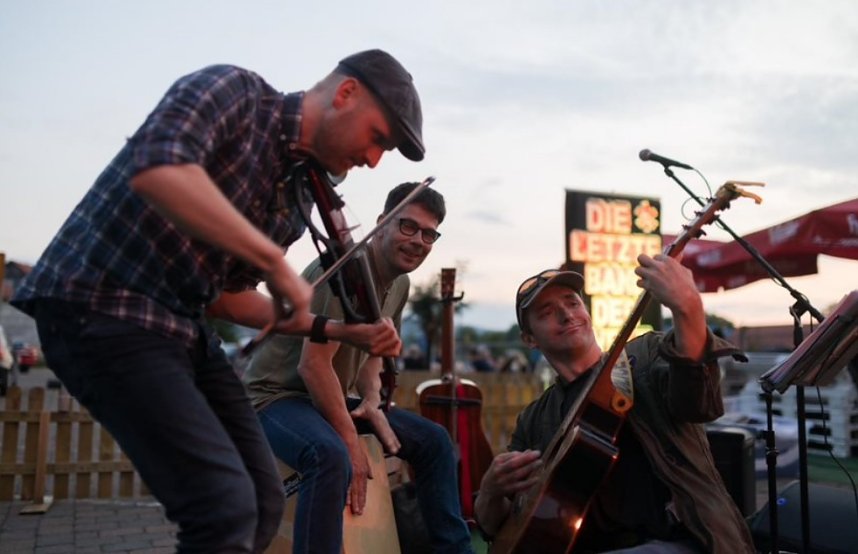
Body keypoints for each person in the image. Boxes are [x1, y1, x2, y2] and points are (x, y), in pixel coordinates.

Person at [11, 49, 423, 553]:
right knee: (221, 506)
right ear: (346, 94)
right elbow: (157, 168)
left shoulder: (294, 198)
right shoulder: (237, 94)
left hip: (180, 326)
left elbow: (230, 301)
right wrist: (273, 263)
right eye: (378, 138)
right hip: (99, 304)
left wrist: (336, 330)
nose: (374, 159)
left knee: (261, 496)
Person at [243, 182, 474, 554]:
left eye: (429, 234)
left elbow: (374, 354)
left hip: (331, 397)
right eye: (408, 226)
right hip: (276, 397)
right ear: (381, 223)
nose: (418, 240)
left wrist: (370, 401)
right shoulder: (343, 271)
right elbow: (313, 367)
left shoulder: (400, 284)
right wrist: (350, 439)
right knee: (329, 454)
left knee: (434, 442)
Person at [474, 255, 756, 553]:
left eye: (572, 303)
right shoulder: (534, 418)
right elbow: (497, 527)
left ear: (587, 312)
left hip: (675, 541)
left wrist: (688, 309)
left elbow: (699, 406)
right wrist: (490, 492)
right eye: (547, 312)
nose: (567, 315)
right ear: (529, 339)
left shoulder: (644, 358)